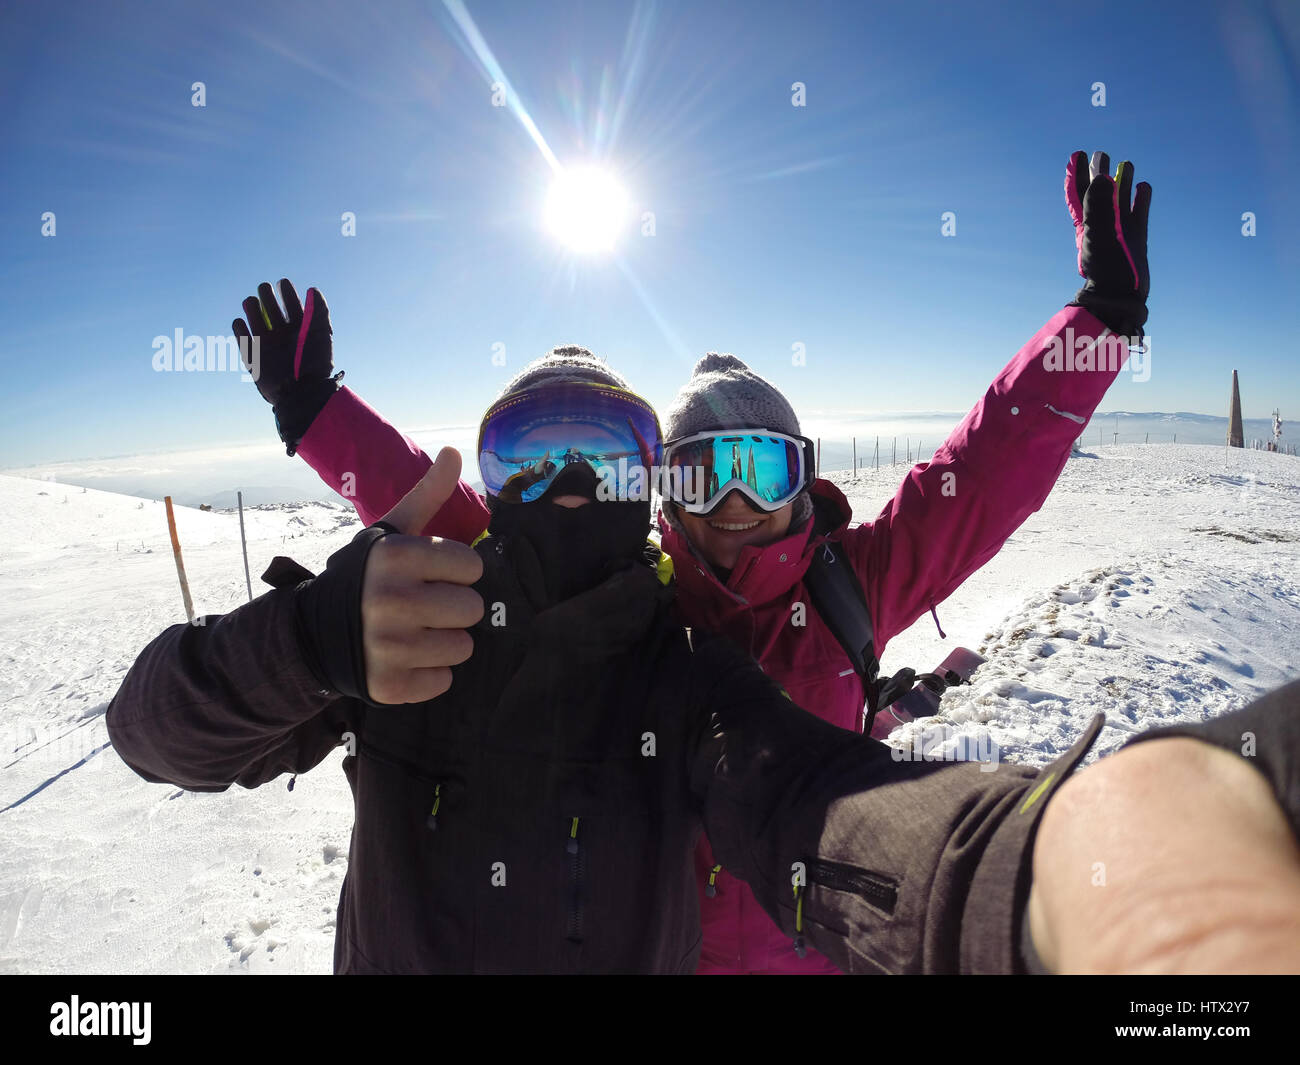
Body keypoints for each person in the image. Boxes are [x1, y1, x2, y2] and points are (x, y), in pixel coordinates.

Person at [105, 340, 1300, 973]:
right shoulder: (430, 618)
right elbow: (161, 733)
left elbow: (809, 792)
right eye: (533, 452)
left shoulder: (739, 637)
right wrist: (308, 627)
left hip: (812, 941)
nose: (733, 506)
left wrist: (1034, 884)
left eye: (759, 472)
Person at [245, 150, 1156, 973]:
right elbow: (440, 503)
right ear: (662, 492)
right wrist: (315, 411)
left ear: (801, 479)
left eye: (760, 471)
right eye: (702, 474)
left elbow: (981, 473)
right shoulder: (633, 593)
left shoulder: (856, 583)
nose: (735, 508)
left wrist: (1096, 325)